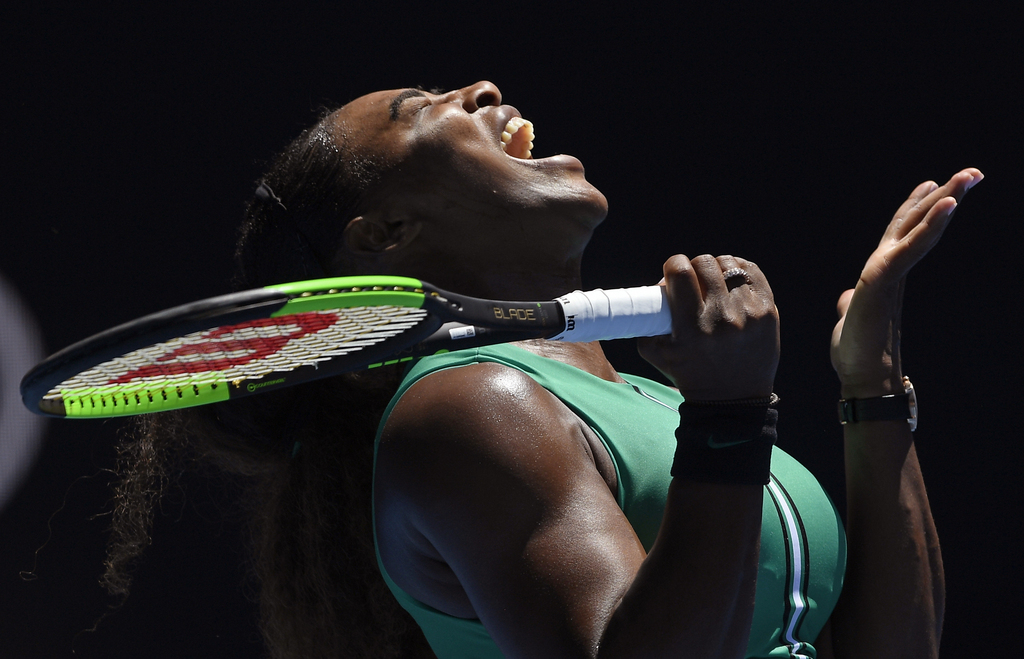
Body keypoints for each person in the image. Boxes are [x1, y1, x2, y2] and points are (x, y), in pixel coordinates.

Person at [104, 80, 981, 658]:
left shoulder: (643, 398)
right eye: (422, 107)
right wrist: (731, 414)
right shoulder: (468, 406)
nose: (484, 88)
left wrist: (872, 383)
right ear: (388, 237)